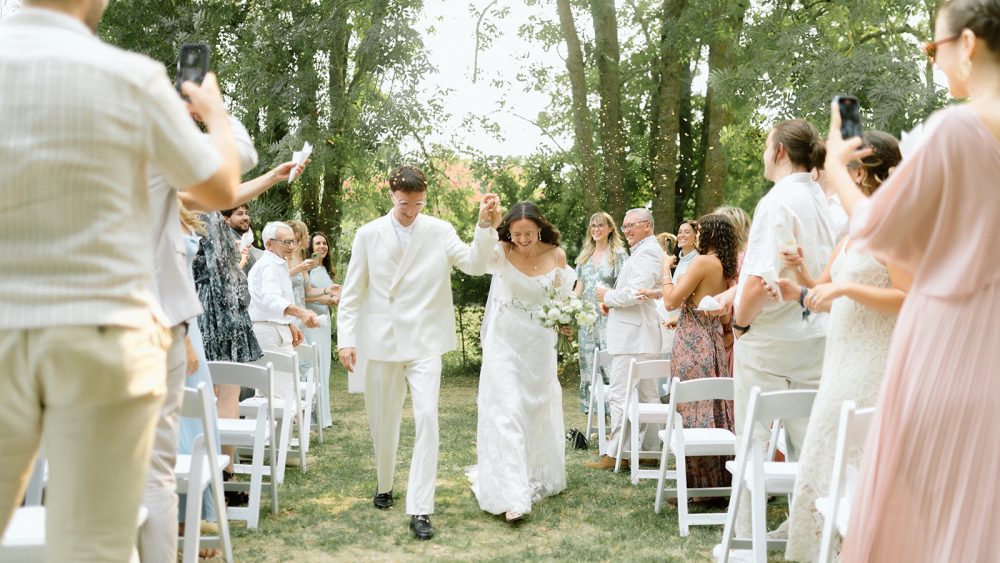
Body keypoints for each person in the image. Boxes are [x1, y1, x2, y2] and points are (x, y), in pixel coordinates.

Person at [0, 2, 241, 560]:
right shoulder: (131, 77)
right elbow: (219, 189)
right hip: (103, 334)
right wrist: (216, 114)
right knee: (91, 548)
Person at [830, 2, 1000, 559]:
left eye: (935, 50)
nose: (934, 63)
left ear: (968, 44)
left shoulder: (956, 128)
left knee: (923, 510)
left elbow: (876, 226)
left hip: (949, 338)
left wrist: (837, 170)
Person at [336, 166, 501, 540]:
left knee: (427, 418)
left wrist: (484, 227)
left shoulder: (439, 231)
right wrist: (347, 339)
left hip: (425, 340)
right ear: (392, 196)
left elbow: (475, 265)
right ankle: (384, 482)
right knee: (382, 419)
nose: (411, 210)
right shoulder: (368, 234)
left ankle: (421, 508)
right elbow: (352, 293)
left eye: (418, 203)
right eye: (404, 204)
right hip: (382, 339)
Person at [775, 131, 909, 561]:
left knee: (857, 449)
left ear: (863, 172)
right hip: (840, 355)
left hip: (874, 358)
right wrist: (797, 281)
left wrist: (846, 289)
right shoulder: (851, 231)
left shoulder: (896, 225)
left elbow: (907, 299)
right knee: (828, 447)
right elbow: (824, 290)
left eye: (844, 167)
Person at [729, 118, 836, 540]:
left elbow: (758, 281)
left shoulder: (777, 202)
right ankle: (813, 531)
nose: (763, 154)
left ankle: (745, 536)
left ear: (779, 152)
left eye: (766, 146)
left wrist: (739, 323)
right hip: (816, 334)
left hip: (772, 342)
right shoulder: (820, 200)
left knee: (753, 436)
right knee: (811, 443)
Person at [472, 202, 571, 522]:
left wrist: (567, 315)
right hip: (504, 341)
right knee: (508, 410)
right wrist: (486, 225)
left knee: (535, 409)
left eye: (528, 233)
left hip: (539, 344)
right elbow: (478, 261)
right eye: (516, 234)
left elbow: (562, 296)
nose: (523, 240)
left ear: (539, 228)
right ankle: (514, 495)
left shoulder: (556, 254)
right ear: (509, 231)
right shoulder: (502, 251)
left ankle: (533, 471)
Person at [638, 213, 739, 493]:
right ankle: (718, 483)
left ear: (710, 235)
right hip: (712, 341)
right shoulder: (722, 265)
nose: (696, 235)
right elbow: (708, 309)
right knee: (713, 408)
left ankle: (696, 487)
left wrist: (665, 270)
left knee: (691, 409)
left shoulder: (703, 262)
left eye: (700, 231)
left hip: (691, 345)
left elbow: (670, 300)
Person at [585, 208, 666, 470]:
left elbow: (636, 293)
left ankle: (616, 453)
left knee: (621, 394)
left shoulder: (647, 252)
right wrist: (614, 303)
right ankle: (651, 451)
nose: (627, 230)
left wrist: (607, 297)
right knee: (648, 395)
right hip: (640, 335)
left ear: (648, 226)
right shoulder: (646, 251)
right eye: (625, 226)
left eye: (632, 225)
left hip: (633, 338)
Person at [248, 221, 320, 398]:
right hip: (268, 333)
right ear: (269, 244)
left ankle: (268, 426)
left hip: (276, 329)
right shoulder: (269, 266)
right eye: (285, 242)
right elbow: (270, 299)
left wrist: (289, 324)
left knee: (273, 395)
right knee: (281, 396)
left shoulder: (277, 264)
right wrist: (301, 313)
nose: (291, 246)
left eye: (292, 241)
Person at [573, 212, 628, 413]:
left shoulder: (619, 255)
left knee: (610, 364)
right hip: (586, 320)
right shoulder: (584, 256)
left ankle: (614, 410)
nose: (596, 229)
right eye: (593, 225)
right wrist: (566, 307)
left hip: (609, 317)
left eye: (600, 226)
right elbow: (579, 287)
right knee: (589, 362)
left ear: (610, 228)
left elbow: (624, 288)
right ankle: (593, 411)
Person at [305, 232, 340, 428]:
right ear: (310, 247)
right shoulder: (307, 268)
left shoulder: (326, 270)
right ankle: (311, 416)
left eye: (324, 243)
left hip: (324, 323)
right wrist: (322, 299)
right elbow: (300, 296)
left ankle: (323, 416)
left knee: (324, 365)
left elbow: (329, 295)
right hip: (311, 322)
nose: (321, 246)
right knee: (314, 364)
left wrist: (334, 300)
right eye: (317, 243)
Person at [222, 204, 263, 274]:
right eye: (240, 214)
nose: (246, 217)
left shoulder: (243, 240)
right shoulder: (227, 242)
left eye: (246, 213)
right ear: (227, 220)